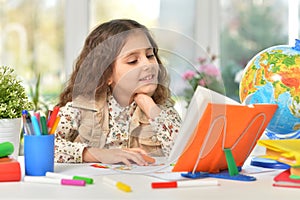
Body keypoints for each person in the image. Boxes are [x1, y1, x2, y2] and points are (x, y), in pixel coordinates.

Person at [54, 19, 182, 166]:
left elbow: (185, 152)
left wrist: (149, 106)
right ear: (106, 74)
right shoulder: (83, 108)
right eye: (133, 61)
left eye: (149, 55)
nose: (148, 65)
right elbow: (45, 147)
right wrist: (98, 154)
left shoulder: (161, 108)